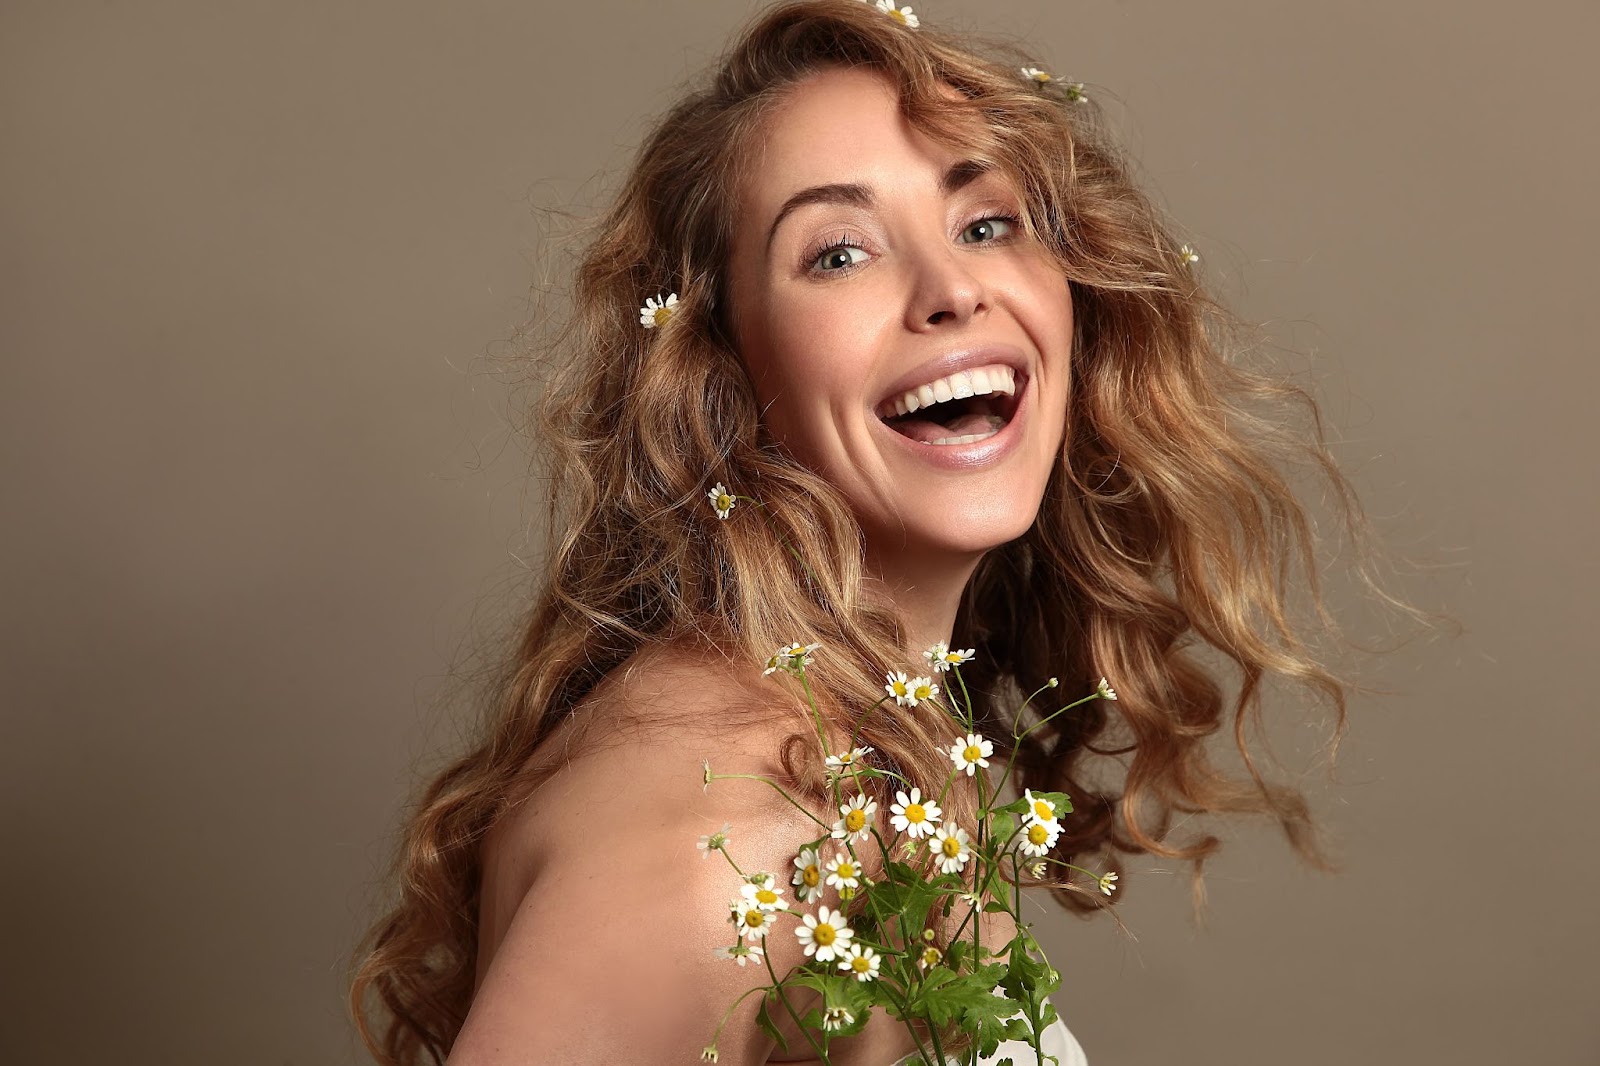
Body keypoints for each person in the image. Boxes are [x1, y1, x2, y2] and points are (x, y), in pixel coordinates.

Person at [347, 1, 1415, 1062]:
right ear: (718, 367)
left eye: (987, 224)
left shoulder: (872, 738)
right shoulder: (720, 840)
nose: (952, 290)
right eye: (840, 253)